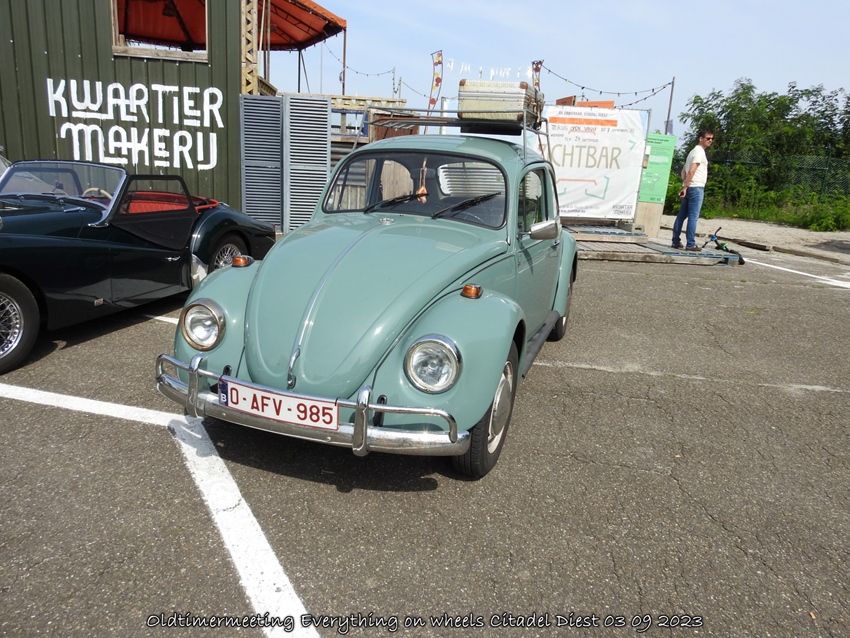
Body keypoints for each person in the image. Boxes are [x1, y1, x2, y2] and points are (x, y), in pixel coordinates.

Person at [672, 129, 714, 250]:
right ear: (701, 138)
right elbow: (691, 171)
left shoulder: (692, 152)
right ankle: (690, 244)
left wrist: (685, 185)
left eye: (712, 139)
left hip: (690, 187)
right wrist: (686, 186)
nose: (710, 140)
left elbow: (683, 171)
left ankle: (675, 241)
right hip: (696, 187)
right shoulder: (699, 152)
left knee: (681, 216)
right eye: (708, 138)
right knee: (693, 217)